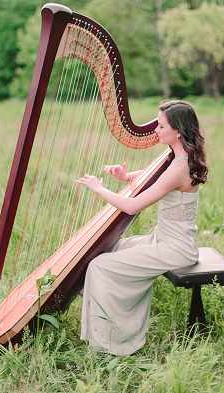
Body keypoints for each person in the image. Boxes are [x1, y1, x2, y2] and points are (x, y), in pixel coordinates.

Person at [75, 100, 208, 356]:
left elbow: (133, 206)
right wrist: (126, 177)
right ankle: (108, 330)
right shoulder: (178, 158)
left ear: (177, 131)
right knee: (112, 250)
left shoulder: (180, 167)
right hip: (164, 240)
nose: (155, 130)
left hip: (175, 248)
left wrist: (100, 189)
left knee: (100, 266)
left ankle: (113, 342)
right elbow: (155, 177)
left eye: (160, 126)